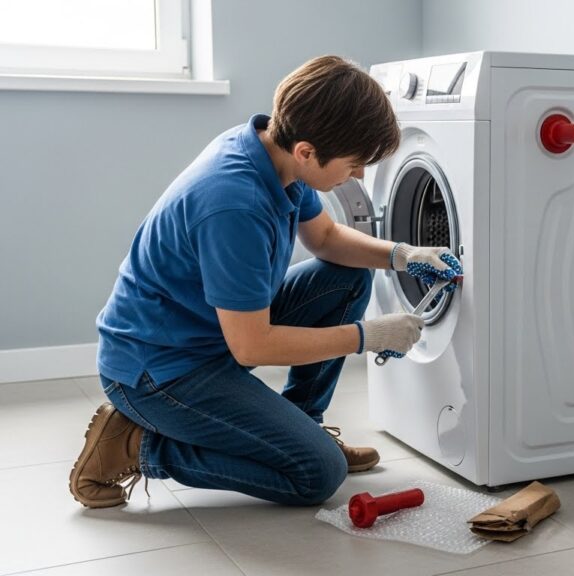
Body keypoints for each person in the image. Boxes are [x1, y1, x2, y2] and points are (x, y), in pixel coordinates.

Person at [68, 55, 462, 508]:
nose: (359, 175)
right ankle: (137, 445)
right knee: (316, 475)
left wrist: (402, 255)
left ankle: (301, 426)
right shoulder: (234, 204)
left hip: (208, 333)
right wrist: (365, 337)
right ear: (307, 152)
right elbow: (252, 346)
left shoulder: (273, 153)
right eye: (354, 164)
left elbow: (328, 239)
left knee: (349, 275)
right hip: (159, 372)